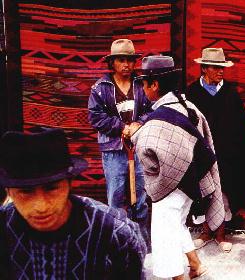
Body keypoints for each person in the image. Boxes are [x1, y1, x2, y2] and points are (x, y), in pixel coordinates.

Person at [0, 128, 147, 279]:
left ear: (70, 184)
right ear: (9, 191)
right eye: (26, 191)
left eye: (52, 188)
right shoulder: (3, 230)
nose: (41, 206)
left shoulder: (116, 234)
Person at [130, 55, 225, 279]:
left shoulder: (157, 120)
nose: (144, 89)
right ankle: (195, 265)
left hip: (170, 186)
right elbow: (204, 142)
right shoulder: (188, 106)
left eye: (145, 84)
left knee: (164, 234)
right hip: (192, 183)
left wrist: (135, 134)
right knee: (177, 224)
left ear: (154, 85)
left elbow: (148, 154)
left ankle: (177, 276)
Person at [186, 47, 245, 252]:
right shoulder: (192, 92)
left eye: (222, 68)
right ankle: (205, 232)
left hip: (226, 155)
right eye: (216, 67)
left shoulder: (230, 92)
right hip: (201, 153)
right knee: (203, 191)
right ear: (204, 68)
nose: (221, 71)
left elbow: (241, 126)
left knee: (223, 193)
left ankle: (221, 234)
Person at [88, 38, 151, 248]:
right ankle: (115, 243)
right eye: (121, 60)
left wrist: (138, 124)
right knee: (115, 199)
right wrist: (121, 127)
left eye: (130, 60)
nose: (126, 64)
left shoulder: (141, 85)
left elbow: (152, 110)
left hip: (139, 148)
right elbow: (95, 117)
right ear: (112, 62)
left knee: (140, 197)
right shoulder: (100, 88)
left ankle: (141, 241)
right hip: (113, 151)